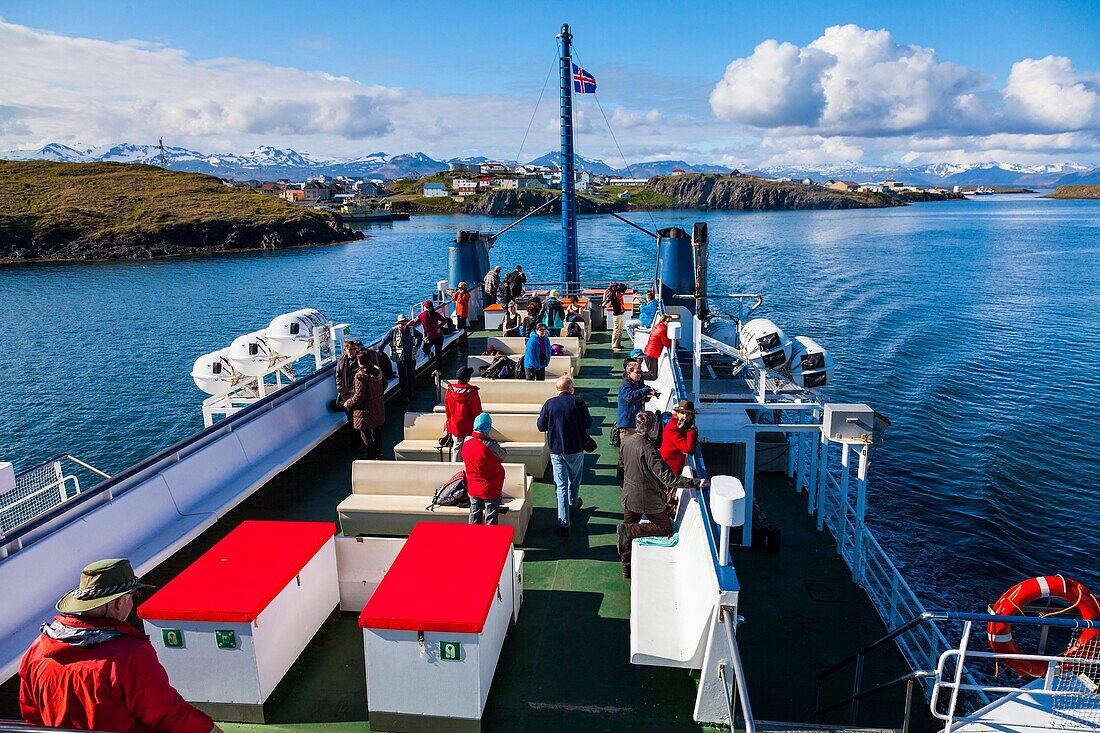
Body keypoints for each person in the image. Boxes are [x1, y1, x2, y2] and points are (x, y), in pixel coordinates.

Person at [19, 558, 221, 733]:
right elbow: (165, 713)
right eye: (133, 596)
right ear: (119, 602)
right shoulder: (129, 654)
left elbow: (32, 716)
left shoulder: (36, 649)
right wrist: (209, 729)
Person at [618, 412, 709, 578]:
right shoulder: (649, 449)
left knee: (626, 535)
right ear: (653, 428)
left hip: (629, 496)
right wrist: (696, 482)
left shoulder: (627, 441)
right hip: (649, 500)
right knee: (664, 527)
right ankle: (629, 530)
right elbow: (668, 478)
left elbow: (621, 466)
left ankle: (626, 567)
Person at [537, 375, 593, 537]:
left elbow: (541, 426)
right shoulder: (578, 402)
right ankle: (573, 503)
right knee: (574, 480)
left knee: (560, 486)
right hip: (575, 449)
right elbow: (588, 423)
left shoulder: (549, 404)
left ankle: (563, 524)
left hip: (556, 451)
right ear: (570, 388)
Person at [464, 413, 508, 526]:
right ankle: (490, 541)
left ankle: (472, 539)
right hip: (490, 487)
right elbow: (502, 456)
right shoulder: (490, 445)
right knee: (491, 516)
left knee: (474, 513)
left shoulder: (467, 443)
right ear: (487, 427)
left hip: (473, 486)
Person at [341, 351, 386, 457]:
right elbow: (385, 385)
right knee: (376, 430)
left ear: (359, 361)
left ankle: (370, 456)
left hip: (365, 410)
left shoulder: (360, 376)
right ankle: (378, 453)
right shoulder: (376, 371)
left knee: (366, 434)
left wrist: (348, 402)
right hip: (377, 406)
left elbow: (359, 397)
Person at [616, 360, 657, 446]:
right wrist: (645, 390)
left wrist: (647, 396)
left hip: (636, 423)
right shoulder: (625, 384)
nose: (640, 375)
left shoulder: (637, 384)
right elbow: (630, 397)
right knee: (627, 449)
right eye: (637, 372)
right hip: (627, 424)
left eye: (641, 372)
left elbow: (639, 398)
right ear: (628, 372)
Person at [382, 314, 422, 403]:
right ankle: (405, 396)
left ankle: (411, 393)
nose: (403, 324)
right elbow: (384, 341)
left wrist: (417, 346)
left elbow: (420, 336)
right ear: (398, 323)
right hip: (401, 359)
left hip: (411, 357)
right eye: (401, 322)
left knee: (411, 376)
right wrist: (379, 351)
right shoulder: (393, 331)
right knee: (404, 378)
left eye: (404, 322)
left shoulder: (411, 330)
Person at [444, 366, 482, 457]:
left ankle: (455, 468)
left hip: (455, 426)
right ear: (468, 378)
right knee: (470, 449)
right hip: (469, 427)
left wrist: (449, 423)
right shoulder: (472, 392)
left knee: (457, 448)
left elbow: (447, 410)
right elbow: (477, 412)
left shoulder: (450, 390)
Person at [411, 299, 450, 376]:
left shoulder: (421, 315)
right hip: (439, 337)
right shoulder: (436, 314)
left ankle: (430, 353)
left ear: (425, 307)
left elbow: (413, 322)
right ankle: (439, 370)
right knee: (438, 354)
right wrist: (439, 327)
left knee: (425, 349)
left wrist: (405, 324)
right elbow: (444, 321)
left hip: (429, 338)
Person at [335, 339, 363, 444]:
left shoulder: (360, 360)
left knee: (359, 417)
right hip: (346, 394)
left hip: (358, 393)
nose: (351, 351)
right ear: (345, 349)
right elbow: (338, 374)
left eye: (353, 349)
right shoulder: (341, 360)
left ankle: (362, 440)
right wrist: (340, 389)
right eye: (349, 349)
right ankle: (354, 441)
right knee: (350, 418)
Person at [660, 400, 699, 475]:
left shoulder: (681, 425)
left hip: (673, 464)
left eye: (688, 414)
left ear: (692, 416)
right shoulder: (673, 428)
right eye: (682, 413)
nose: (685, 416)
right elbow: (688, 449)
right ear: (677, 414)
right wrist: (691, 430)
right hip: (669, 467)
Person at [641, 313, 674, 381]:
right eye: (668, 321)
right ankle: (633, 376)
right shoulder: (663, 330)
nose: (669, 323)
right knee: (652, 375)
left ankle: (635, 375)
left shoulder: (659, 326)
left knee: (651, 373)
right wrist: (675, 342)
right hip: (651, 355)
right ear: (663, 321)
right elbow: (667, 343)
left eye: (671, 321)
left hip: (649, 353)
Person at [607, 282, 628, 351]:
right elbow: (609, 303)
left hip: (621, 314)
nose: (622, 294)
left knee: (620, 330)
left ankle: (618, 344)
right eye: (621, 293)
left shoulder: (620, 297)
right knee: (616, 330)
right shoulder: (614, 298)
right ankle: (614, 346)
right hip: (616, 315)